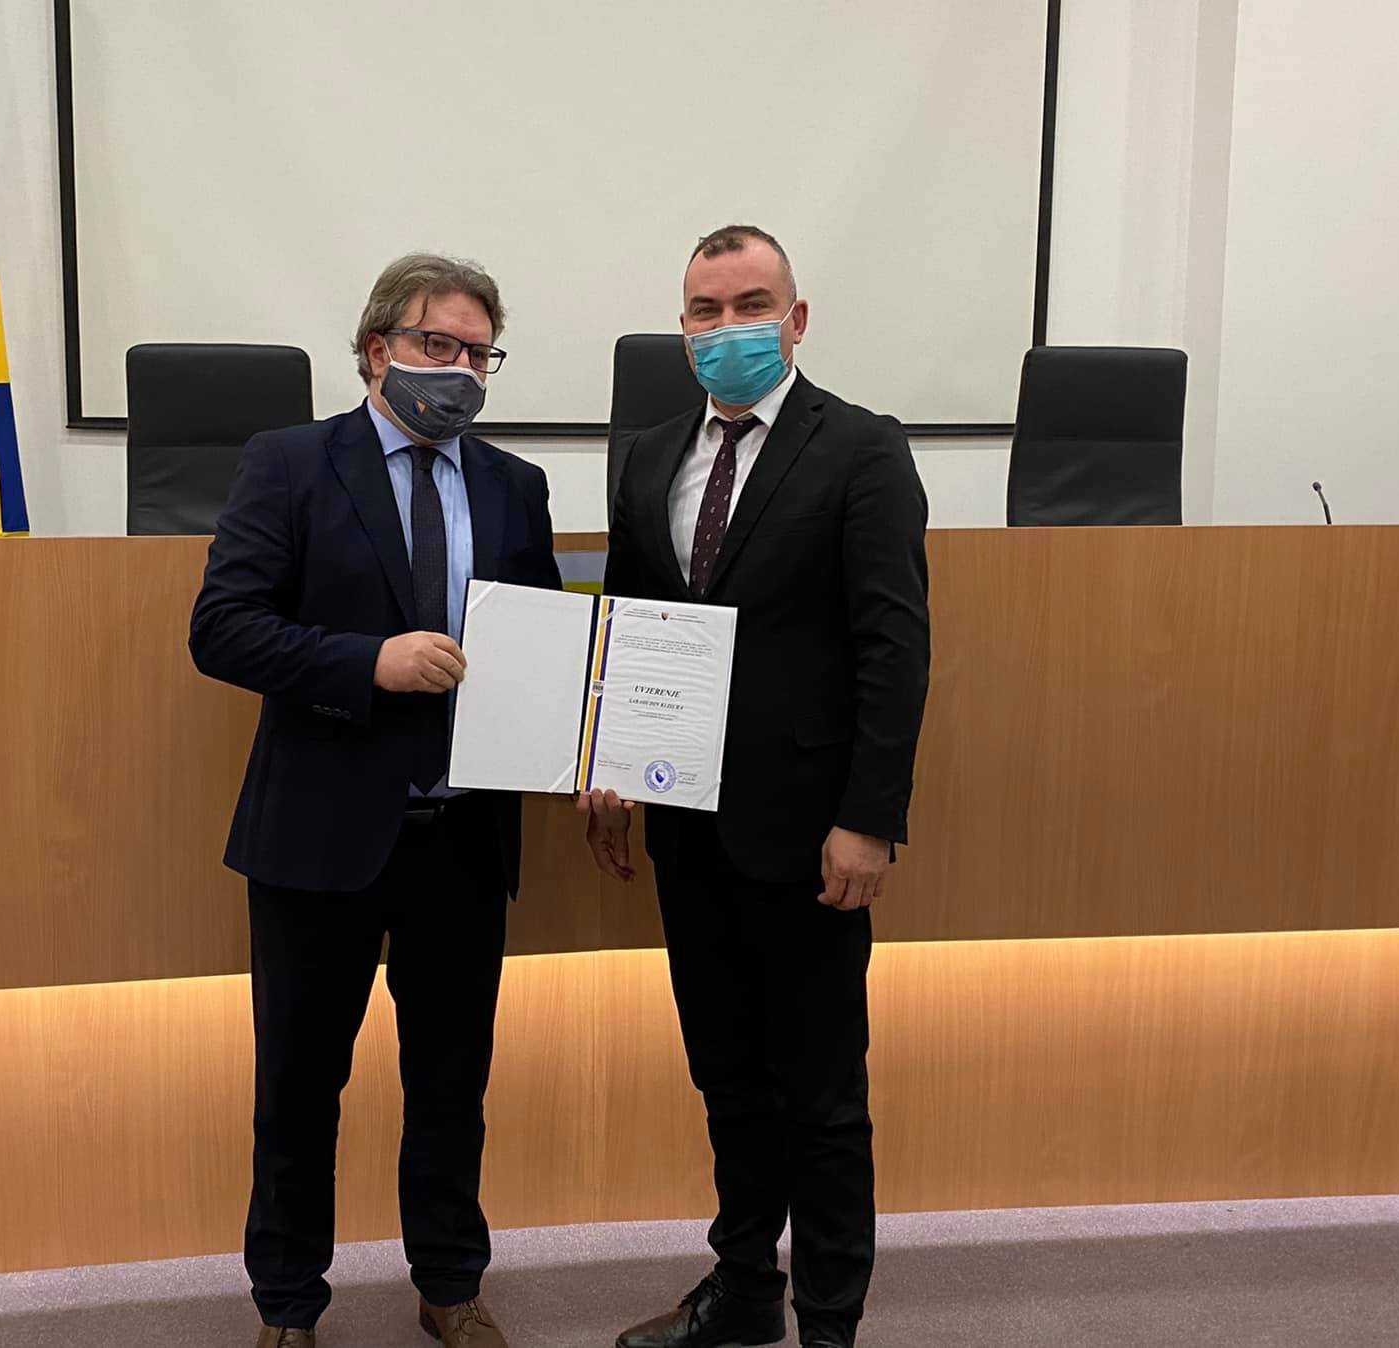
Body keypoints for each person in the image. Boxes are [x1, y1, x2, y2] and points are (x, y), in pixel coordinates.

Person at [190, 252, 561, 1348]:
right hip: (319, 837)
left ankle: (450, 1284)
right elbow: (223, 629)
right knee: (299, 1087)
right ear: (376, 350)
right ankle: (288, 1303)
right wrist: (370, 663)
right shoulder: (292, 463)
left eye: (478, 353)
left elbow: (540, 647)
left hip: (464, 839)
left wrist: (593, 736)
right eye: (438, 344)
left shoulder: (514, 484)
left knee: (452, 1085)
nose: (460, 370)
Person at [585, 225, 930, 1348]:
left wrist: (869, 819)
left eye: (748, 305)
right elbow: (632, 625)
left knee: (822, 1098)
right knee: (727, 1080)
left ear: (796, 319)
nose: (725, 327)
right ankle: (743, 1294)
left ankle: (830, 1324)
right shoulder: (647, 455)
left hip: (809, 834)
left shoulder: (863, 448)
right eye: (704, 310)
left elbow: (894, 648)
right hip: (686, 829)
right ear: (682, 328)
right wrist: (608, 765)